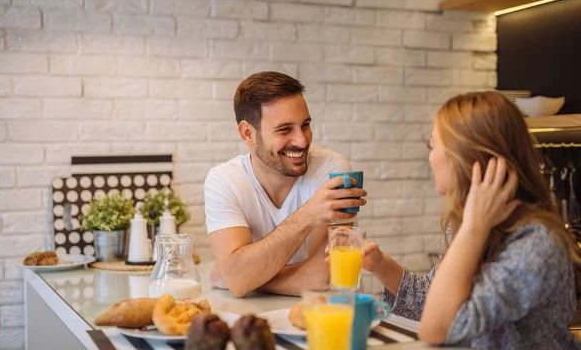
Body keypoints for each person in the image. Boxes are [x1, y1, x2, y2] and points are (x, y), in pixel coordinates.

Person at [361, 91, 581, 348]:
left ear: (468, 158)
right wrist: (379, 264)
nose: (430, 157)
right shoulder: (472, 226)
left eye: (433, 145)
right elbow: (436, 301)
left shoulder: (536, 245)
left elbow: (438, 327)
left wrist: (473, 229)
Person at [204, 71, 367, 298]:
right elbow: (237, 279)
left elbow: (327, 275)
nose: (301, 140)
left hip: (320, 316)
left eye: (305, 125)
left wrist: (243, 278)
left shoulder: (332, 171)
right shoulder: (224, 181)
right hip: (252, 319)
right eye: (284, 129)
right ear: (248, 133)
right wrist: (309, 215)